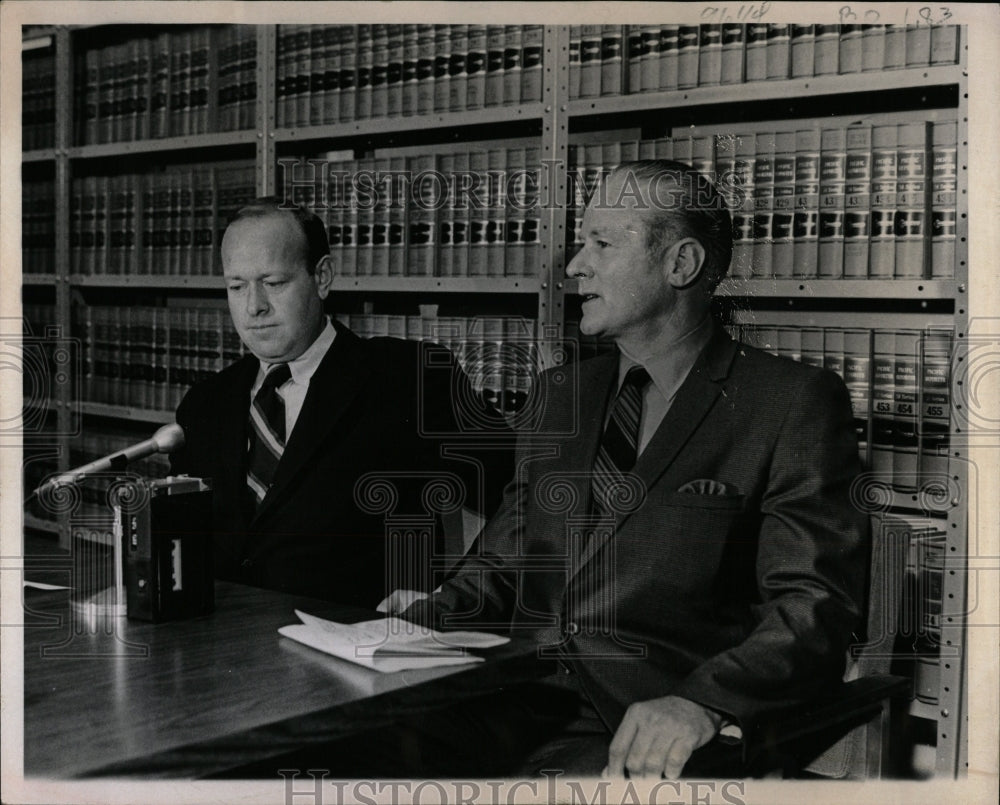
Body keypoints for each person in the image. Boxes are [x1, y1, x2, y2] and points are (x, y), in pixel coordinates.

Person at [383, 160, 869, 779]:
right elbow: (503, 563)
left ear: (681, 265)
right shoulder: (560, 393)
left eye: (602, 244)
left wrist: (702, 703)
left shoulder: (790, 401)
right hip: (506, 695)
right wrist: (409, 623)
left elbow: (813, 603)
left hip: (643, 728)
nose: (574, 267)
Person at [169, 198, 512, 609]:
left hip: (359, 649)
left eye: (273, 283)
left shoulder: (409, 378)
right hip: (221, 652)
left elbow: (524, 493)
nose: (253, 306)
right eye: (236, 286)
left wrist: (456, 596)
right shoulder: (204, 404)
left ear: (323, 277)